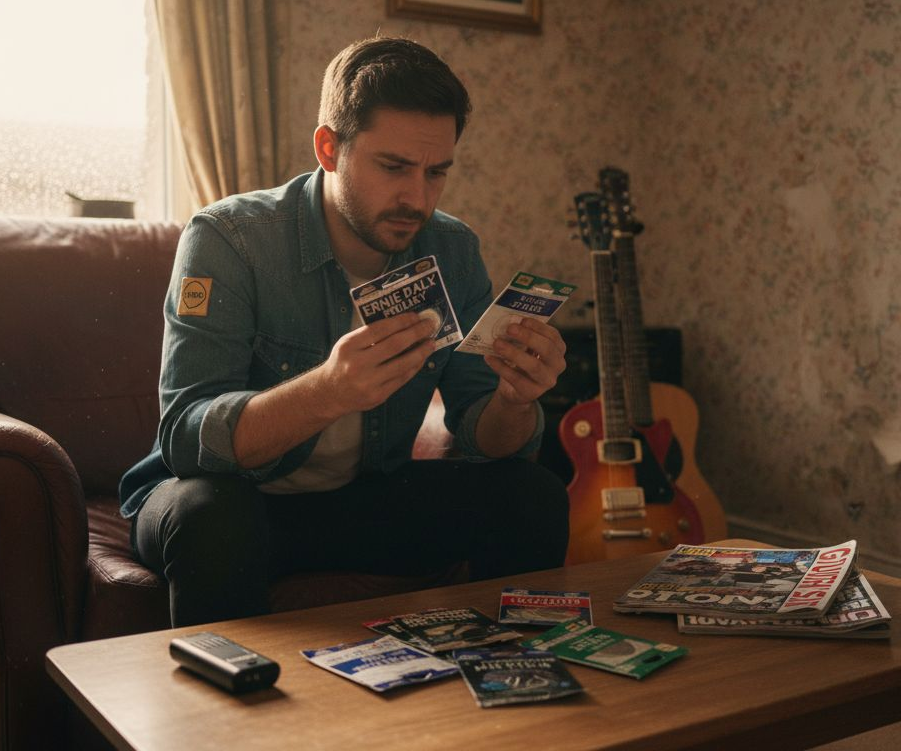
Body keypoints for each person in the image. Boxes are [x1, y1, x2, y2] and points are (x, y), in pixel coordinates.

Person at [119, 36, 570, 626]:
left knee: (529, 493)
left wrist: (515, 399)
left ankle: (515, 689)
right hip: (226, 502)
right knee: (212, 512)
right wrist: (328, 390)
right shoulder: (230, 239)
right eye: (393, 167)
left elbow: (485, 435)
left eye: (437, 173)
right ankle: (228, 715)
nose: (418, 198)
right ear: (329, 148)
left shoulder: (451, 250)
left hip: (358, 500)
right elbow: (186, 437)